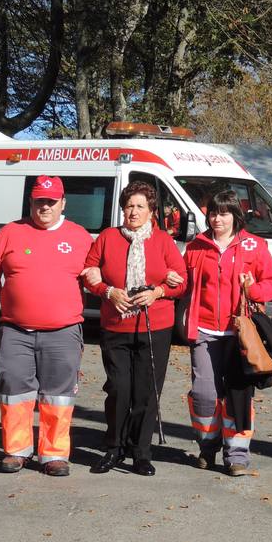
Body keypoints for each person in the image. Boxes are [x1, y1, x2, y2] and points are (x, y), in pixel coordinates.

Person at [0, 175, 93, 476]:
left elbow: (99, 275)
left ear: (63, 203)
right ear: (31, 202)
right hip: (15, 331)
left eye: (51, 201)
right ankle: (16, 450)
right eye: (40, 201)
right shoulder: (10, 233)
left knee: (58, 395)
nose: (45, 207)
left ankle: (53, 453)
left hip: (63, 332)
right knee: (13, 389)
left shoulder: (80, 237)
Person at [81, 180, 187, 476]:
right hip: (116, 325)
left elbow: (181, 280)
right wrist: (107, 291)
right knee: (118, 389)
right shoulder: (107, 237)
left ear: (152, 211)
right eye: (129, 206)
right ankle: (113, 447)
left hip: (156, 326)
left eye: (140, 206)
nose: (134, 211)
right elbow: (88, 273)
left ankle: (141, 451)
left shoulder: (163, 241)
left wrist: (158, 292)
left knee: (146, 392)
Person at [183, 189, 272, 476]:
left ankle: (237, 455)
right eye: (213, 213)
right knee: (204, 394)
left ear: (235, 216)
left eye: (224, 213)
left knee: (238, 396)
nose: (218, 219)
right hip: (203, 331)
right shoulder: (196, 247)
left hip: (240, 334)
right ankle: (207, 446)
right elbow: (182, 284)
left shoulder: (255, 246)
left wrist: (252, 289)